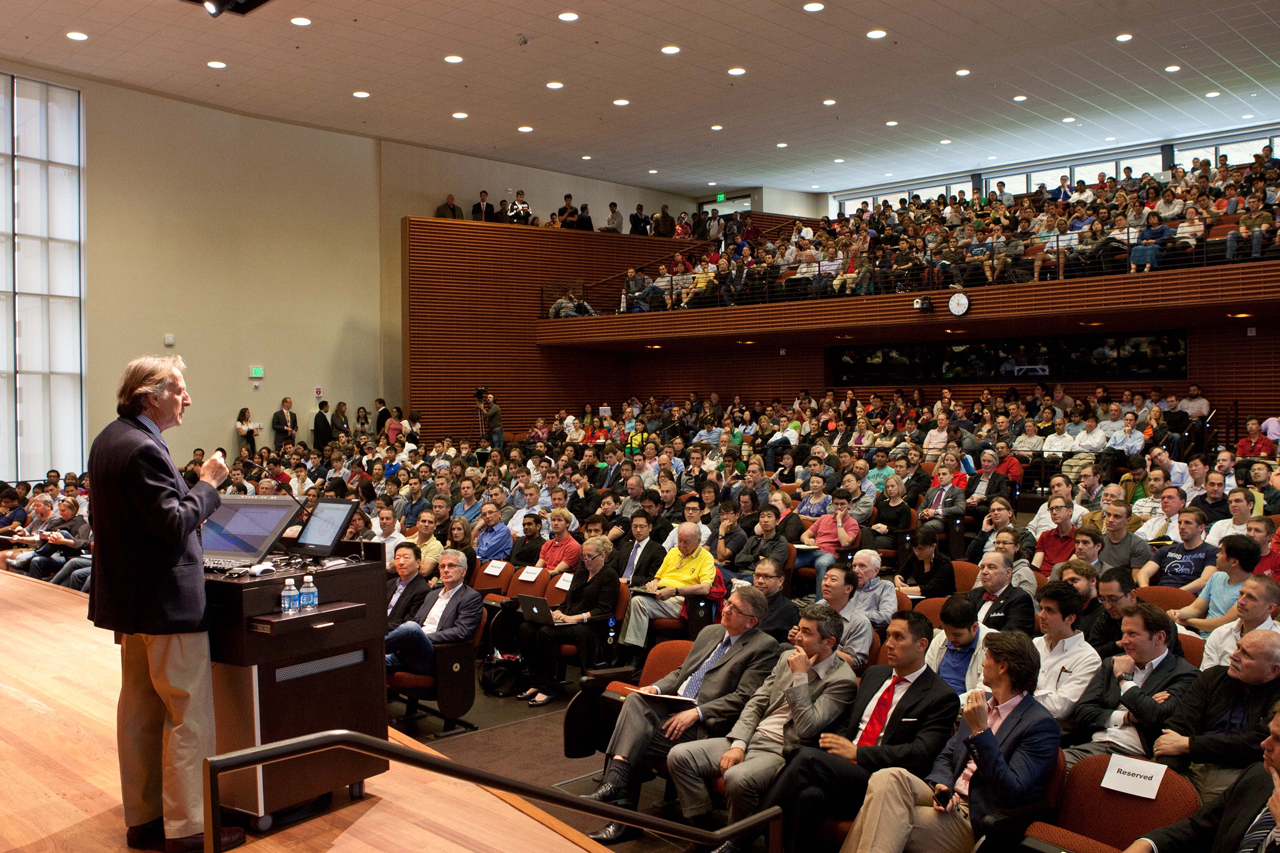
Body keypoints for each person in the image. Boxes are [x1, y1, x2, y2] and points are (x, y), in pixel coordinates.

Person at [87, 355, 244, 852]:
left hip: (133, 606)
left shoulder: (110, 439)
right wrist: (209, 483)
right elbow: (174, 523)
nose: (188, 399)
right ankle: (191, 829)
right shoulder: (143, 449)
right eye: (179, 390)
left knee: (139, 711)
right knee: (187, 717)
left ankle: (145, 819)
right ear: (150, 395)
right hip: (167, 605)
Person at [718, 611, 960, 853]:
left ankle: (737, 842)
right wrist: (838, 747)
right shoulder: (875, 675)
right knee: (807, 796)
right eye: (887, 636)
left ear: (921, 645)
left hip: (884, 781)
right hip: (844, 770)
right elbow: (849, 724)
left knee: (806, 758)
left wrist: (857, 752)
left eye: (899, 637)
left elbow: (920, 754)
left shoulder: (940, 696)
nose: (889, 644)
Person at [581, 587, 780, 845]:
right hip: (674, 704)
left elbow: (743, 698)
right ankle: (617, 786)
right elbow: (681, 672)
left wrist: (696, 713)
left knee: (630, 738)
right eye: (728, 603)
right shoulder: (711, 631)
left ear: (751, 621)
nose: (727, 609)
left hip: (707, 723)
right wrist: (656, 687)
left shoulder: (764, 647)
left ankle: (622, 815)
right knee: (635, 699)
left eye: (735, 609)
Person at [842, 631, 1061, 853]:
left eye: (987, 658)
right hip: (948, 797)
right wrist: (942, 783)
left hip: (976, 816)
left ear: (1003, 667)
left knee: (880, 812)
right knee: (887, 777)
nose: (982, 664)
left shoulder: (1039, 724)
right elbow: (947, 755)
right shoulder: (981, 701)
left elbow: (1012, 791)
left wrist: (981, 732)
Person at [665, 605, 857, 833]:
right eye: (799, 629)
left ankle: (734, 843)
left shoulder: (842, 680)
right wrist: (739, 743)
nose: (798, 637)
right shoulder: (787, 656)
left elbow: (807, 728)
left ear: (829, 642)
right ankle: (706, 829)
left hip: (782, 750)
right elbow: (756, 703)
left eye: (807, 632)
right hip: (753, 736)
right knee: (679, 756)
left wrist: (800, 676)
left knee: (737, 778)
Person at [1123, 706, 1280, 853]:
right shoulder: (1258, 776)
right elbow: (1198, 828)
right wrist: (1147, 844)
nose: (1264, 744)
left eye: (1278, 739)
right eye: (1269, 734)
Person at [1065, 602, 1200, 768]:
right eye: (1123, 633)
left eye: (1132, 634)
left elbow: (1156, 716)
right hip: (1093, 747)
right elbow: (1083, 713)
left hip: (1138, 758)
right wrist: (1127, 717)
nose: (1123, 641)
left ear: (1159, 638)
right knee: (1049, 768)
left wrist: (1124, 679)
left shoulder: (1184, 674)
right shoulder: (1111, 663)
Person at [1154, 630, 1280, 803]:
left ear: (1273, 671)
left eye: (1247, 655)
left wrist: (1189, 745)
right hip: (1189, 764)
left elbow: (1257, 745)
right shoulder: (1213, 677)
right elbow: (1179, 727)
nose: (1234, 656)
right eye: (1237, 647)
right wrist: (1166, 775)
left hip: (1241, 774)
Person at [517, 536, 619, 707]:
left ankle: (549, 688)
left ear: (602, 556)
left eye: (590, 557)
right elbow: (568, 601)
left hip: (589, 627)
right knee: (526, 628)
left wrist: (573, 618)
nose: (586, 560)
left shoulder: (609, 576)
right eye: (583, 556)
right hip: (569, 620)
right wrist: (558, 612)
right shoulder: (581, 572)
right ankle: (537, 681)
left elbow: (603, 610)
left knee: (546, 633)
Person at [617, 522, 716, 659]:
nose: (681, 545)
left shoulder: (706, 558)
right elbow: (658, 578)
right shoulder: (673, 552)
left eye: (686, 542)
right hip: (661, 595)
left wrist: (674, 591)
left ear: (698, 541)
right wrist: (652, 586)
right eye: (679, 540)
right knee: (631, 598)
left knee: (638, 603)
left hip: (682, 600)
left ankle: (634, 654)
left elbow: (705, 588)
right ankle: (624, 650)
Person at [384, 549, 483, 676]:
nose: (446, 570)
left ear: (463, 571)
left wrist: (422, 636)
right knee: (368, 662)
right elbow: (416, 621)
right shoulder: (432, 594)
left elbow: (461, 632)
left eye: (451, 566)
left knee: (412, 628)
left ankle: (373, 647)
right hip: (410, 652)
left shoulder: (470, 597)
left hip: (436, 656)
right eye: (442, 566)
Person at [1032, 581, 1102, 721]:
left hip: (1052, 728)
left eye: (1050, 611)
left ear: (1070, 618)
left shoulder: (1088, 659)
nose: (1041, 616)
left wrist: (1023, 690)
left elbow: (1059, 709)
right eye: (1042, 608)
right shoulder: (1035, 644)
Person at [1168, 533, 1261, 636]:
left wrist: (1187, 622)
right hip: (1203, 635)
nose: (1217, 555)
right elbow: (1196, 608)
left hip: (1226, 639)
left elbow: (1222, 623)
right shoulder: (1216, 577)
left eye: (1221, 552)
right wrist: (1177, 614)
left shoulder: (1250, 591)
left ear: (1234, 562)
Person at [1202, 574, 1280, 668]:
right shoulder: (1220, 634)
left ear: (1270, 608)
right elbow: (1206, 678)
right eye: (1241, 594)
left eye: (1251, 597)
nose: (1241, 601)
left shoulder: (1277, 641)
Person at [926, 594, 997, 695]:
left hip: (964, 706)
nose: (950, 638)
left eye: (957, 634)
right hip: (934, 702)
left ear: (974, 627)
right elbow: (925, 677)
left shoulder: (993, 644)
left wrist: (950, 705)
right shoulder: (940, 639)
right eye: (946, 631)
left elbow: (986, 691)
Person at [1137, 507, 1220, 591]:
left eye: (1188, 523)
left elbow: (1204, 580)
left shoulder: (1212, 552)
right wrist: (1145, 590)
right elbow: (1143, 573)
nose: (1182, 526)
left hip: (1189, 596)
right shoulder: (1166, 550)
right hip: (1161, 593)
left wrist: (1175, 594)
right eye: (1180, 522)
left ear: (1201, 527)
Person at [967, 550, 1036, 634]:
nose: (984, 572)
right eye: (982, 567)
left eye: (991, 567)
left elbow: (1013, 636)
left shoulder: (1020, 599)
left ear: (1008, 573)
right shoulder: (975, 594)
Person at [894, 527, 956, 599]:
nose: (917, 552)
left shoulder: (944, 564)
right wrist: (899, 582)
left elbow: (931, 589)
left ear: (933, 546)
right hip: (922, 598)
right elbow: (900, 574)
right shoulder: (914, 557)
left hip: (942, 600)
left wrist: (899, 590)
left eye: (921, 549)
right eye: (915, 548)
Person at [751, 557, 800, 643]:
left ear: (780, 581)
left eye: (766, 576)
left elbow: (786, 646)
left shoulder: (789, 609)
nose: (760, 581)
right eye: (757, 576)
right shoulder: (745, 602)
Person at [386, 542, 431, 631]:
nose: (401, 562)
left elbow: (408, 624)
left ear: (418, 563)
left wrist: (378, 628)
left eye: (406, 558)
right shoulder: (389, 584)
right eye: (397, 558)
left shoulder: (423, 590)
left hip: (395, 634)